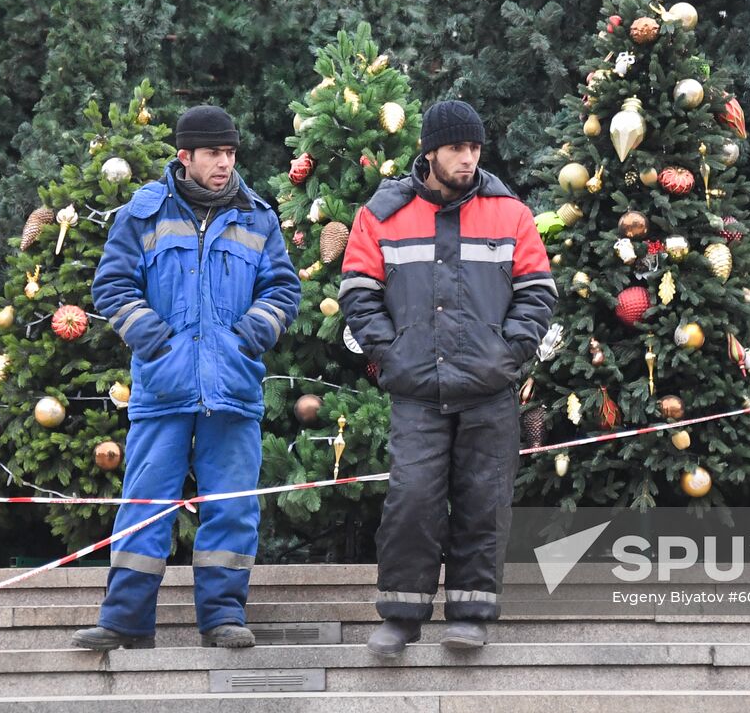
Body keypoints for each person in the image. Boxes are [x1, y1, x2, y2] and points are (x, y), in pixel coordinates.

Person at [73, 105, 301, 650]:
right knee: (145, 505)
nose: (225, 163)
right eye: (213, 154)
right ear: (185, 158)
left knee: (232, 507)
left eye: (230, 153)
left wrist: (248, 338)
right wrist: (154, 342)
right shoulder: (141, 215)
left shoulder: (258, 217)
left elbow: (284, 290)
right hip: (162, 389)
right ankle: (126, 621)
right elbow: (111, 286)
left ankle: (223, 617)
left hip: (233, 390)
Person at [338, 99, 557, 656]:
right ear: (430, 152)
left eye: (475, 148)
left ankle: (471, 612)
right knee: (412, 499)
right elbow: (358, 296)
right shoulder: (381, 215)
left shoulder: (510, 214)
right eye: (457, 148)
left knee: (485, 500)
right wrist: (393, 356)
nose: (468, 158)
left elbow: (537, 293)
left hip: (490, 389)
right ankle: (401, 616)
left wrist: (508, 354)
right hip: (416, 390)